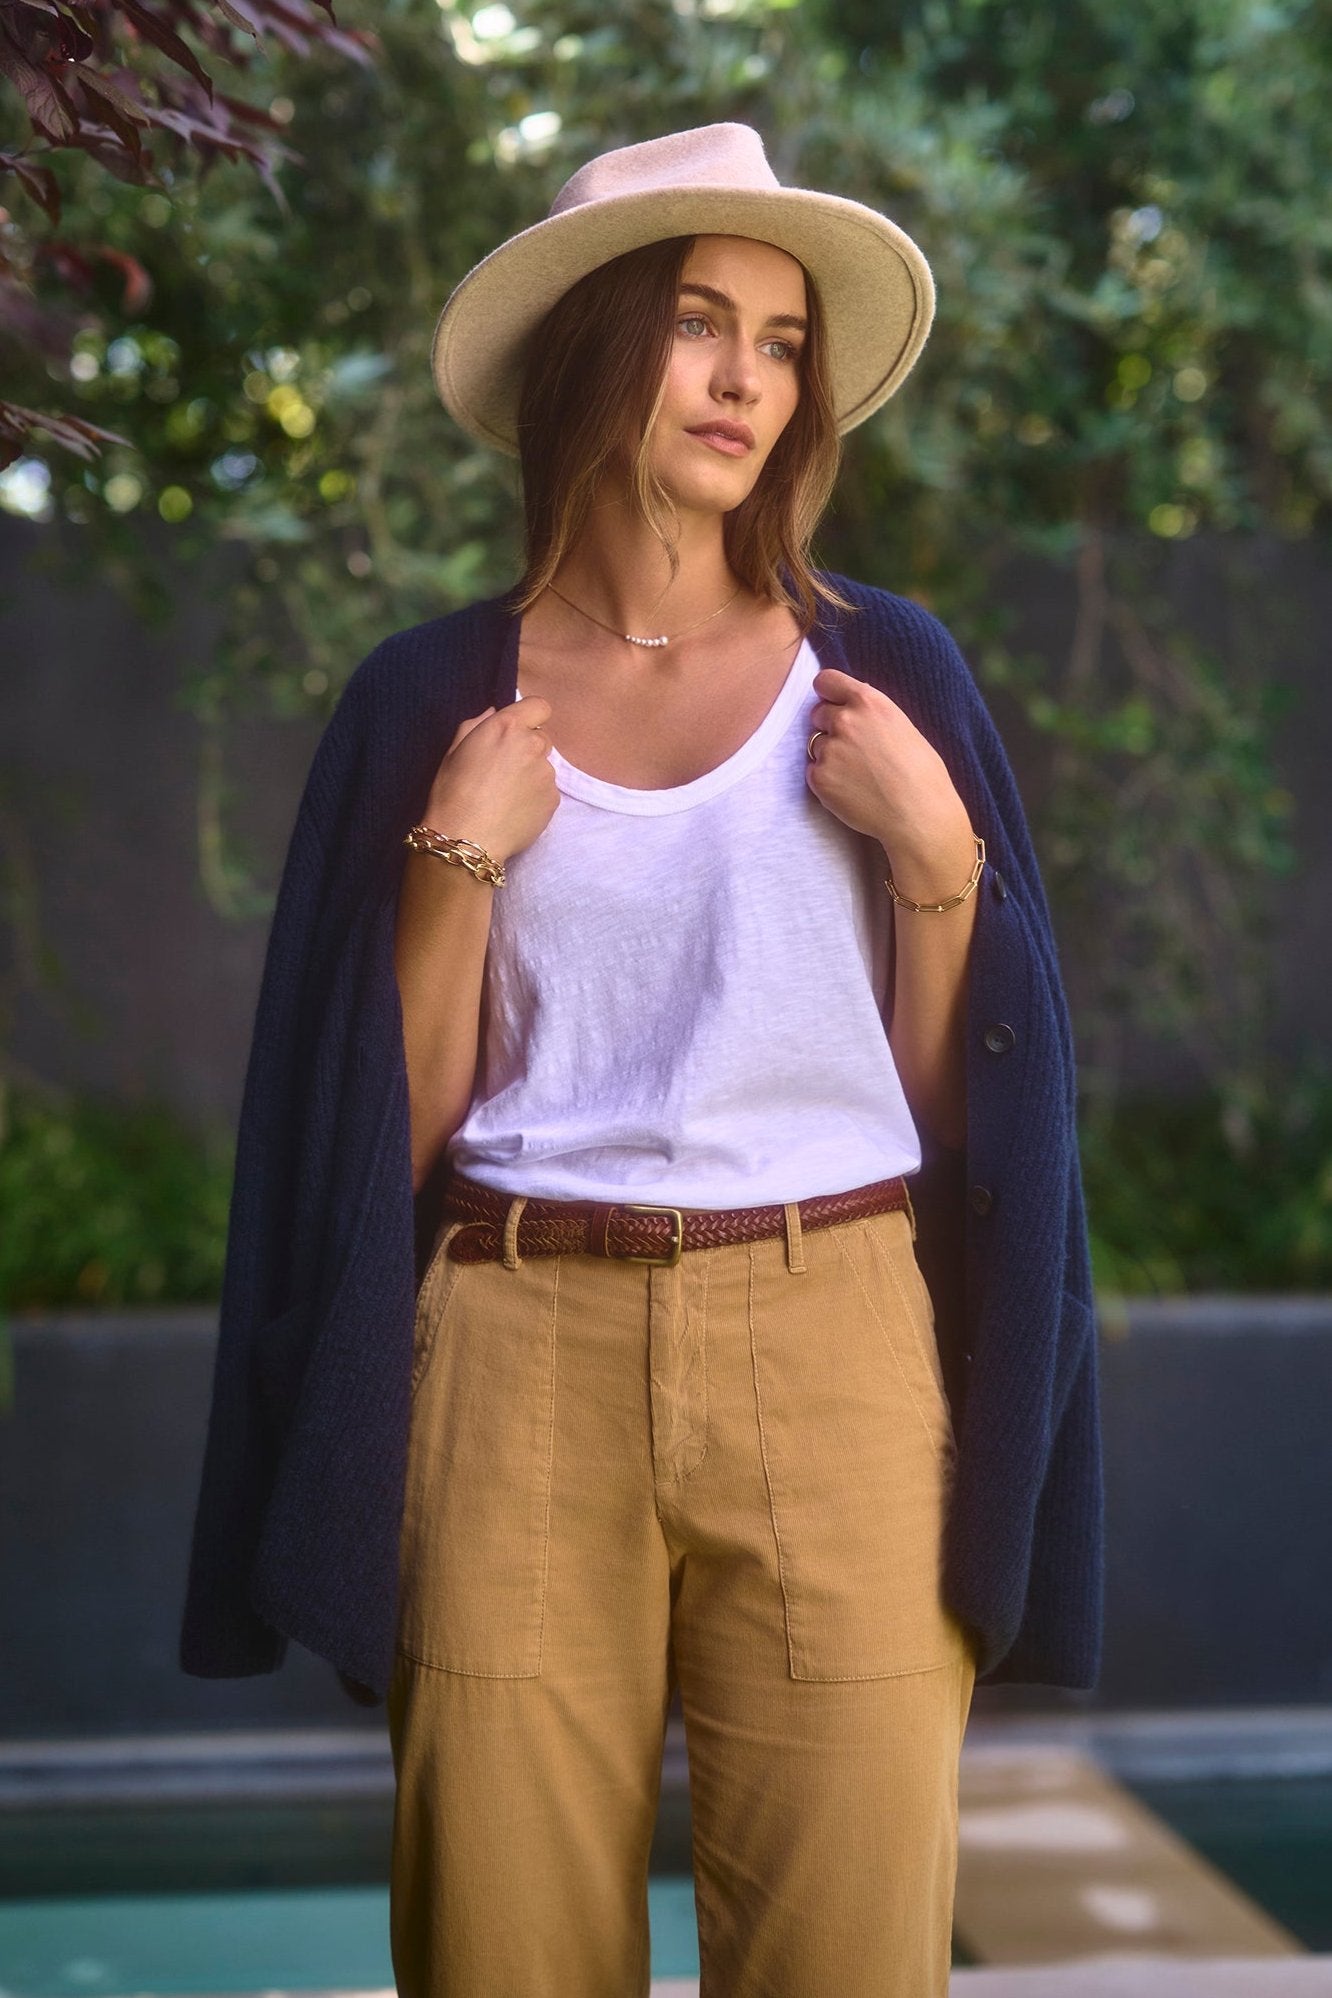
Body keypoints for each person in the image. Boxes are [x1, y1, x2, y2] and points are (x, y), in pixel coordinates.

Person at [180, 123, 1103, 1998]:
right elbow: (381, 1132)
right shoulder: (431, 700)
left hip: (835, 1346)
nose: (749, 376)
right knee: (501, 1960)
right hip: (517, 1353)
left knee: (850, 1962)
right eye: (698, 321)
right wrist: (456, 854)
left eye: (778, 339)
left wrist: (941, 868)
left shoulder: (889, 674)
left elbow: (965, 1111)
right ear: (596, 352)